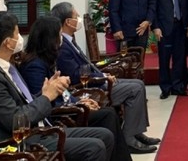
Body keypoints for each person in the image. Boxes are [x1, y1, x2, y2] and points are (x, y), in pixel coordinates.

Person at [0, 11, 114, 161]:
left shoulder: (4, 66)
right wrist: (46, 96)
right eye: (17, 34)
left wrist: (47, 91)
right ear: (8, 42)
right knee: (94, 147)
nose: (20, 39)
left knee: (105, 135)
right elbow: (16, 120)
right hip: (20, 143)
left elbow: (25, 104)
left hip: (38, 131)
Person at [52, 2, 160, 154]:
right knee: (135, 88)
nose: (79, 20)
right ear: (68, 22)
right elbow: (76, 74)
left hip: (98, 80)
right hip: (89, 87)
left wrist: (103, 74)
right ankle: (129, 138)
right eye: (76, 16)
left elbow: (86, 66)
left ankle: (135, 132)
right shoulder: (63, 46)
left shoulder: (70, 40)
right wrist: (101, 77)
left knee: (138, 84)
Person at [19, 16, 132, 161]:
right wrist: (76, 104)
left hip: (68, 106)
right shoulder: (34, 66)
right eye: (59, 35)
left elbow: (60, 92)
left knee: (108, 114)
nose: (61, 39)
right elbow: (41, 99)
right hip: (58, 115)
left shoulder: (47, 58)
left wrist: (78, 100)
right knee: (107, 115)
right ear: (49, 38)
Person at [152, 0, 188, 98]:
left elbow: (187, 6)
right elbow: (153, 8)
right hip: (164, 28)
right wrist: (155, 27)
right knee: (164, 59)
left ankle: (178, 86)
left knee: (180, 59)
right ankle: (165, 88)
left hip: (181, 26)